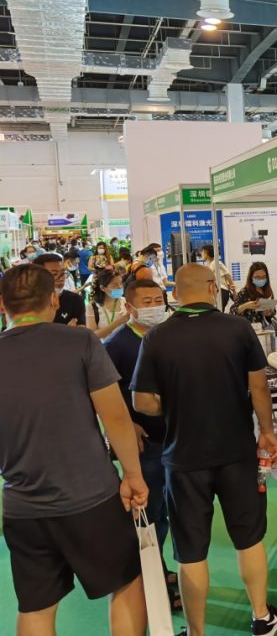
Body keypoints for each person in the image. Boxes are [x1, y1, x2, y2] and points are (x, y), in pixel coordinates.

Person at [131, 264, 277, 636]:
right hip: (237, 453)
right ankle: (261, 616)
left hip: (183, 458)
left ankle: (196, 631)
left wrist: (176, 405)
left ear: (175, 293)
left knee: (191, 551)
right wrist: (267, 431)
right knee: (249, 538)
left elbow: (142, 402)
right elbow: (259, 387)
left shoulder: (156, 337)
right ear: (213, 288)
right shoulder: (238, 328)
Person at [0, 264, 148, 636]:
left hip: (23, 506)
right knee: (127, 584)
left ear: (2, 304)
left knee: (36, 608)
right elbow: (115, 417)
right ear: (53, 299)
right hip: (92, 497)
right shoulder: (80, 342)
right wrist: (132, 474)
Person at [104, 279, 179, 604]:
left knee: (167, 513)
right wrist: (128, 424)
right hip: (144, 445)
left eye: (158, 300)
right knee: (148, 515)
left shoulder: (169, 335)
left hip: (175, 439)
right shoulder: (116, 345)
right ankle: (152, 583)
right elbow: (104, 395)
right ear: (130, 307)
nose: (155, 307)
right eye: (146, 302)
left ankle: (158, 570)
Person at [37, 252, 87, 326]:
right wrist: (66, 330)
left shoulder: (76, 300)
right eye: (54, 274)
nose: (61, 278)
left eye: (63, 273)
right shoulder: (31, 303)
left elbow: (81, 328)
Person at [231, 262, 277, 329]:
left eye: (263, 277)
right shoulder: (244, 292)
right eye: (257, 277)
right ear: (251, 277)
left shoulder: (268, 292)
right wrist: (245, 306)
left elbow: (273, 312)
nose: (261, 279)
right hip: (248, 329)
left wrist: (269, 313)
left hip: (265, 329)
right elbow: (232, 312)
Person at [89, 269, 129, 339]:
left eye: (121, 283)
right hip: (103, 345)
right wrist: (118, 322)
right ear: (103, 288)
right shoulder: (92, 307)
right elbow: (92, 336)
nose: (120, 287)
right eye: (114, 285)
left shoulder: (125, 301)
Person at [202, 243, 236, 311]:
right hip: (215, 291)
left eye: (202, 252)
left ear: (206, 253)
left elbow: (228, 275)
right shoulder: (208, 265)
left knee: (218, 311)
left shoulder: (216, 263)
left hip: (221, 291)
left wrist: (234, 292)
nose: (201, 253)